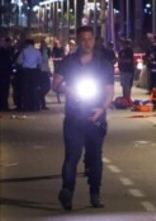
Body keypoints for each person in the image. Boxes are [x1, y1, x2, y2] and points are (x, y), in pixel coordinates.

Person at [53, 26, 115, 211]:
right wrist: (68, 89)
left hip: (95, 117)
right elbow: (55, 84)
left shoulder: (103, 64)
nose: (86, 43)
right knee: (72, 156)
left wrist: (102, 108)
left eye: (89, 39)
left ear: (94, 40)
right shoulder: (68, 62)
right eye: (83, 40)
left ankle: (95, 193)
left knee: (95, 157)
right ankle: (67, 192)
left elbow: (110, 92)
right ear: (77, 41)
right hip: (74, 117)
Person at [15, 39, 43, 111]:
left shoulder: (24, 51)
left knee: (26, 89)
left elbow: (19, 61)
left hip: (26, 72)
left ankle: (26, 106)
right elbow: (40, 63)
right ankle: (35, 106)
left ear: (27, 44)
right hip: (34, 72)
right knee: (34, 89)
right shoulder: (37, 52)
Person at [0, 37, 12, 111]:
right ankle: (4, 105)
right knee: (4, 91)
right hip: (5, 75)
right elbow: (9, 64)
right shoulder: (6, 53)